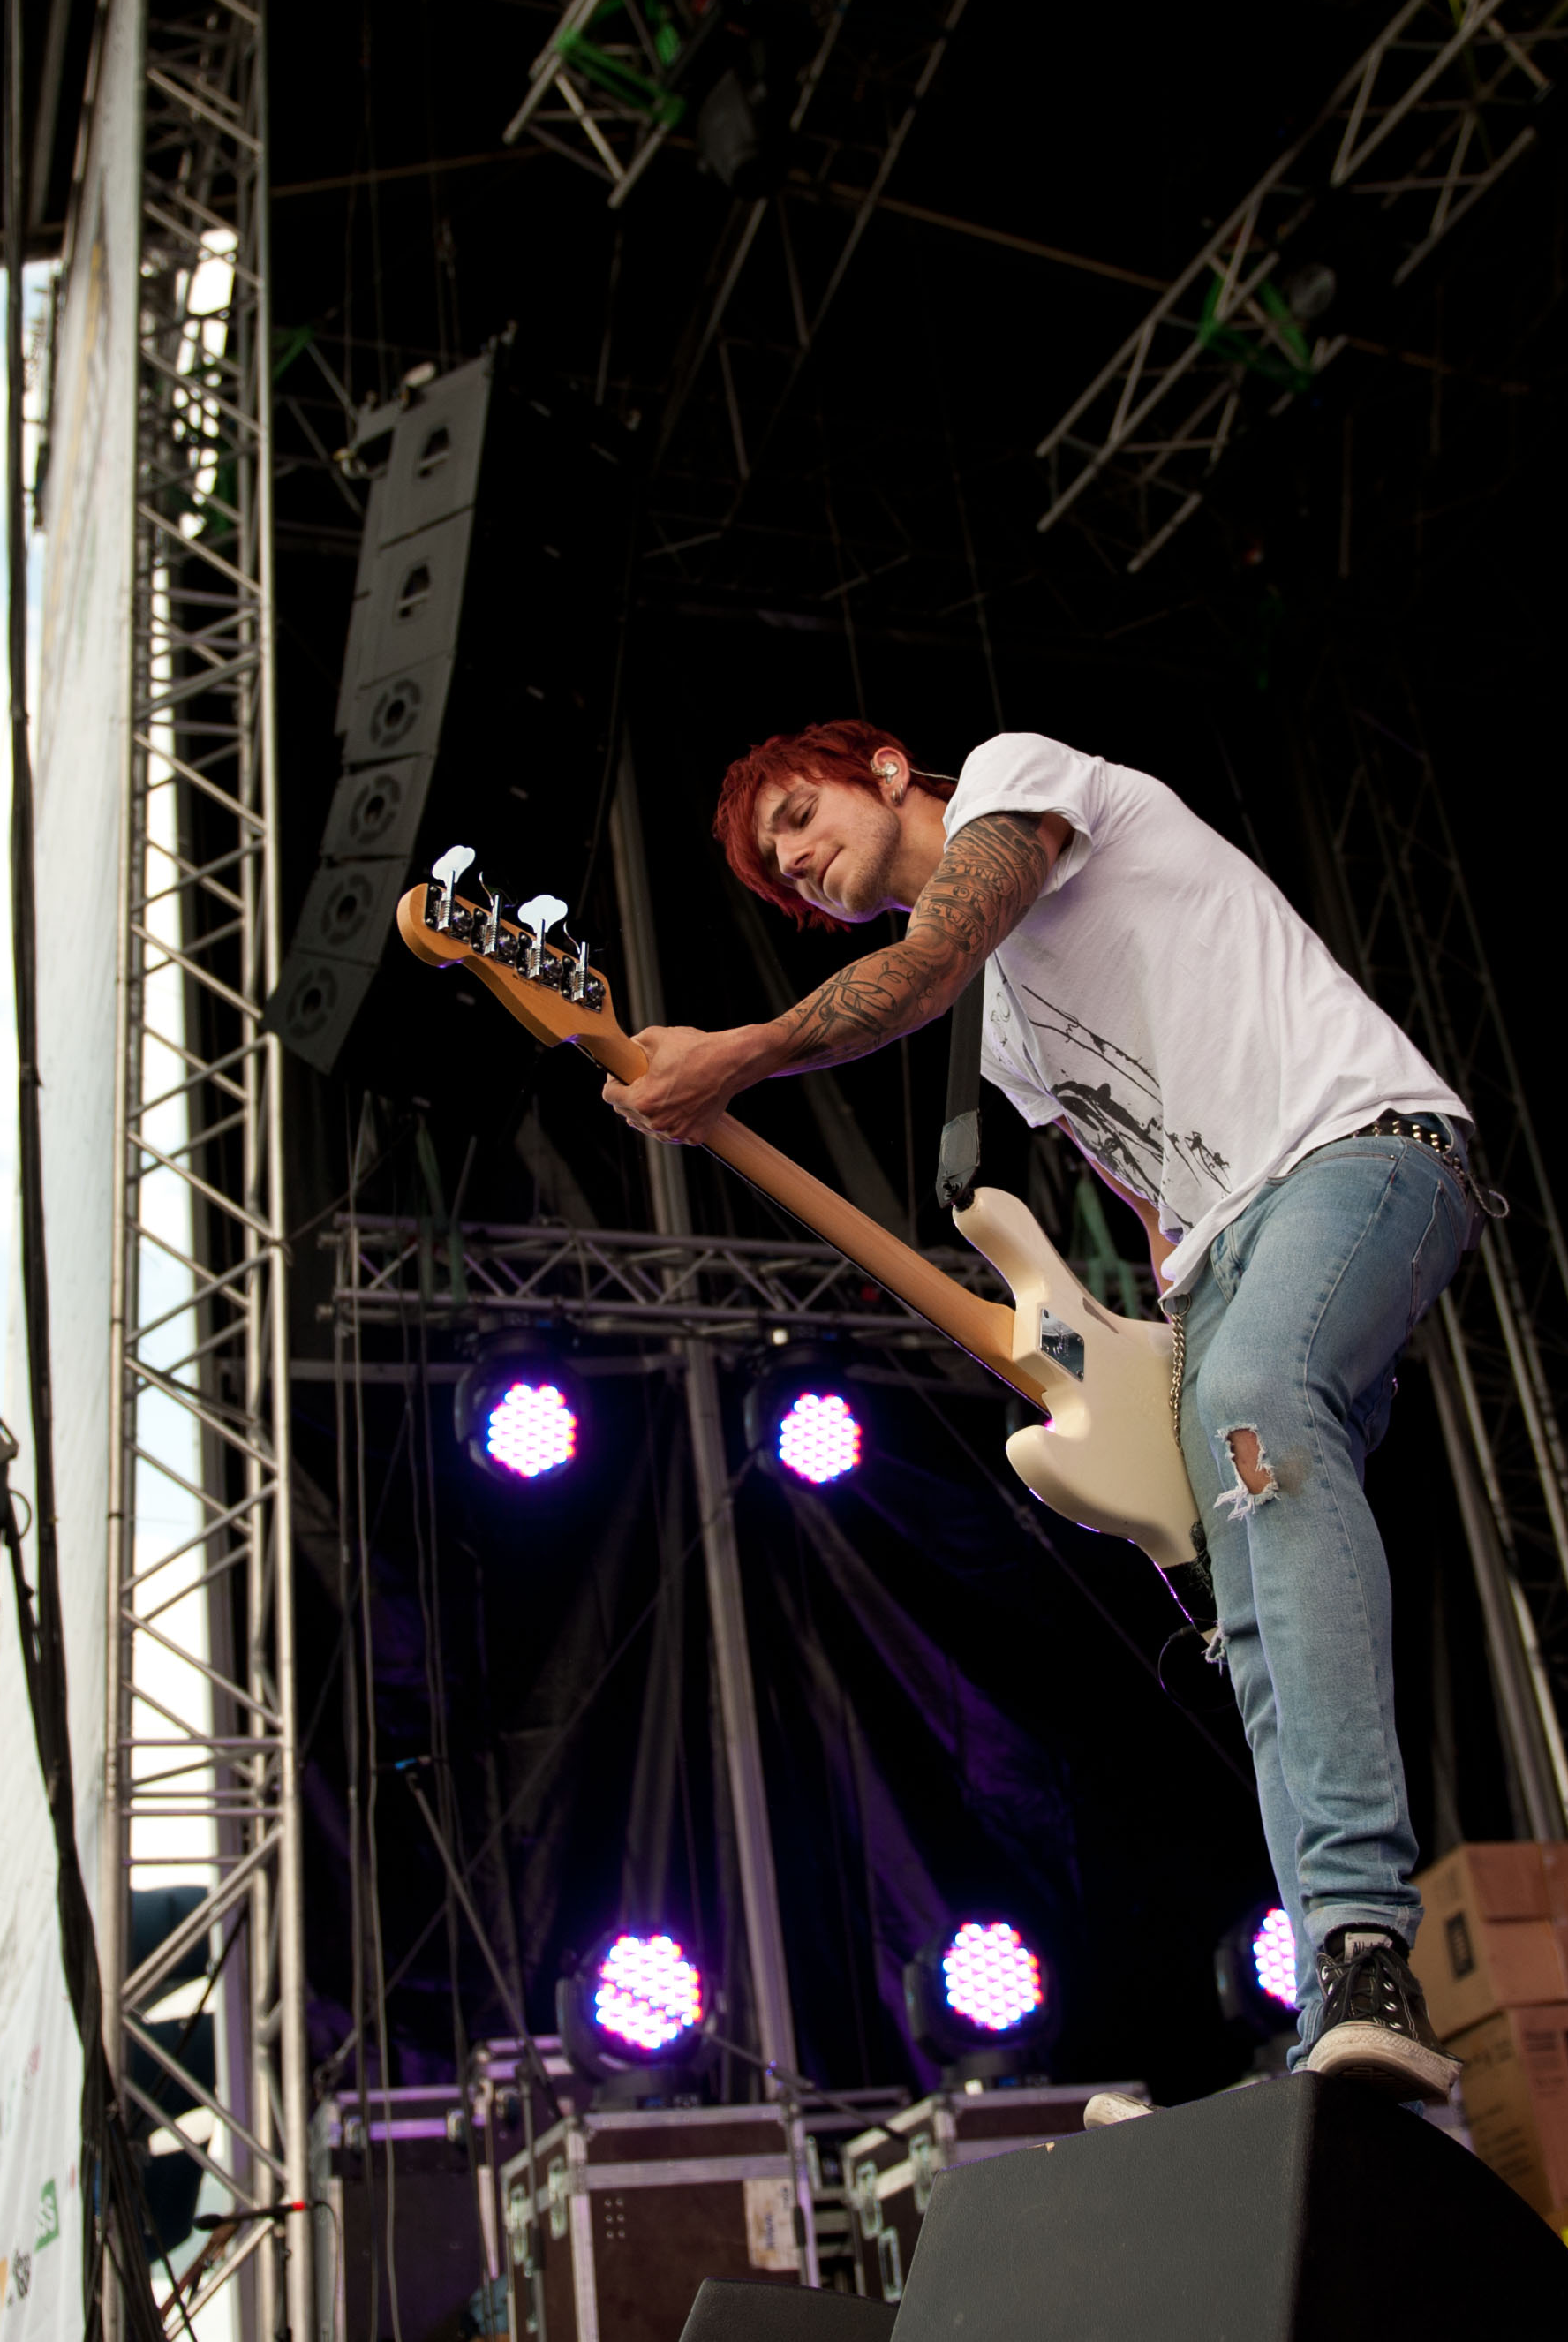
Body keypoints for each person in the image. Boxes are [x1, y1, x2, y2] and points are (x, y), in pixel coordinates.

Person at [602, 721, 1481, 2105]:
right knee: (1250, 1613)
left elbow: (924, 966)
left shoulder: (1016, 777)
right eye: (775, 868)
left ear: (885, 769)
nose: (795, 861)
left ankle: (1370, 1939)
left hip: (1357, 1149)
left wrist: (742, 1054)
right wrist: (1164, 1334)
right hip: (1221, 1262)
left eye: (797, 815)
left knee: (1261, 1405)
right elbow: (1144, 1180)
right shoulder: (999, 1030)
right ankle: (1344, 1996)